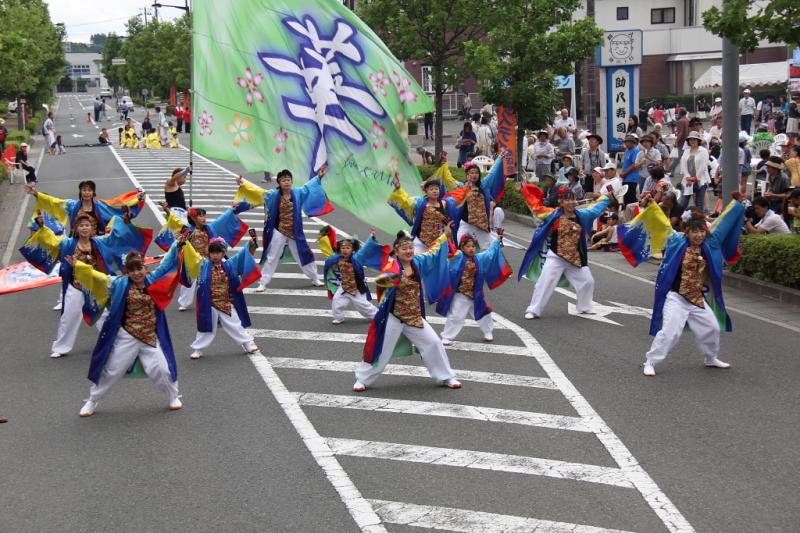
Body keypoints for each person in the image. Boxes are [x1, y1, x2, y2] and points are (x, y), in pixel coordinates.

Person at [619, 198, 745, 376]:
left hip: (697, 298)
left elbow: (725, 223)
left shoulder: (711, 243)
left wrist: (739, 204)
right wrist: (651, 205)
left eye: (702, 231)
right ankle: (651, 361)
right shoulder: (676, 240)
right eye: (694, 231)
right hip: (677, 297)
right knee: (671, 332)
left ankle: (710, 357)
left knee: (712, 328)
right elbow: (662, 223)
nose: (699, 235)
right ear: (686, 231)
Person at [70, 247, 184, 417]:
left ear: (146, 268)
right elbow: (99, 277)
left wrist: (178, 244)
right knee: (112, 370)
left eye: (139, 268)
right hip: (128, 335)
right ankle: (92, 400)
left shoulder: (153, 279)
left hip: (150, 336)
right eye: (132, 270)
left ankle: (173, 396)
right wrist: (80, 266)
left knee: (162, 369)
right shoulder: (119, 283)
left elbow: (167, 263)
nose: (137, 273)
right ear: (127, 272)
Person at [20, 212, 151, 359]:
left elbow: (115, 238)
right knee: (69, 317)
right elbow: (52, 240)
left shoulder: (99, 242)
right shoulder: (68, 243)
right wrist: (42, 226)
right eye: (81, 225)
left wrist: (124, 222)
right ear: (76, 228)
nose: (84, 228)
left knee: (105, 316)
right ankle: (61, 347)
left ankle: (113, 344)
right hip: (76, 286)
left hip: (96, 286)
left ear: (91, 228)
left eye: (87, 225)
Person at [355, 232, 460, 392]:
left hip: (414, 317)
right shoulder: (392, 267)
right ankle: (363, 379)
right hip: (394, 317)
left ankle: (446, 377)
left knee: (434, 342)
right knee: (381, 350)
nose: (409, 251)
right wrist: (386, 279)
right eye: (404, 248)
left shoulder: (418, 262)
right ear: (396, 252)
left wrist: (444, 236)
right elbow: (379, 275)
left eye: (411, 247)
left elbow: (433, 252)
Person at [517, 183, 616, 319]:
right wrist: (523, 191)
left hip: (574, 257)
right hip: (556, 256)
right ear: (561, 202)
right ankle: (533, 310)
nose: (571, 202)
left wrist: (607, 198)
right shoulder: (552, 215)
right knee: (545, 283)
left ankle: (584, 307)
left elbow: (595, 209)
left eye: (572, 199)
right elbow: (536, 207)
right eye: (567, 199)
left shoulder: (582, 215)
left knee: (588, 281)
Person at [235, 168, 331, 291]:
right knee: (272, 256)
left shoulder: (297, 193)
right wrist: (243, 183)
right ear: (279, 182)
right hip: (278, 230)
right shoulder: (273, 195)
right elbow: (258, 192)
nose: (287, 182)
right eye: (284, 180)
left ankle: (315, 278)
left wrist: (319, 176)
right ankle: (263, 283)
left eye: (289, 180)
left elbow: (309, 187)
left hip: (295, 230)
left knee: (304, 253)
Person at [157, 203, 249, 310]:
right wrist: (166, 209)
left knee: (222, 273)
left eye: (204, 216)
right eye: (200, 216)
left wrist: (231, 210)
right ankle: (184, 302)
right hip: (194, 259)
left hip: (210, 258)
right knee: (190, 281)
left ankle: (223, 296)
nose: (203, 218)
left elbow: (222, 219)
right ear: (193, 218)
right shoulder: (188, 230)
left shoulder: (210, 228)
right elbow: (176, 221)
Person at [184, 236, 262, 359]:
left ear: (223, 252)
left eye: (218, 252)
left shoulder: (230, 264)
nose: (215, 255)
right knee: (205, 328)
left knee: (236, 324)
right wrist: (183, 244)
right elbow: (191, 255)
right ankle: (197, 349)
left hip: (226, 302)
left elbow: (243, 255)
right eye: (212, 252)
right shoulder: (203, 264)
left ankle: (247, 344)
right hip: (209, 303)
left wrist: (251, 245)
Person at [437, 232, 511, 345]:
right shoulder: (457, 257)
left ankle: (488, 331)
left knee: (484, 313)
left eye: (473, 246)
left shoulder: (479, 258)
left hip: (476, 293)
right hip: (460, 293)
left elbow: (490, 253)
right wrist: (447, 235)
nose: (471, 249)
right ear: (462, 247)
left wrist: (497, 241)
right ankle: (447, 336)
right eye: (468, 246)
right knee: (456, 315)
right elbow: (450, 249)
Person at [27, 180, 145, 236]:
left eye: (89, 190)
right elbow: (55, 202)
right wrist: (37, 194)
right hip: (77, 241)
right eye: (84, 190)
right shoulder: (72, 205)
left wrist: (136, 199)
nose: (86, 193)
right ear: (80, 192)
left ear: (93, 193)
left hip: (96, 241)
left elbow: (117, 205)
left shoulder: (100, 206)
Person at [321, 228, 388, 325]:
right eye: (343, 248)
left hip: (357, 287)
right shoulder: (336, 258)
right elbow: (328, 260)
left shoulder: (356, 258)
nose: (345, 250)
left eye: (348, 248)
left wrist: (371, 237)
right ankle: (338, 317)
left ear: (352, 250)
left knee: (362, 305)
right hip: (344, 286)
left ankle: (377, 315)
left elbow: (365, 248)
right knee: (337, 301)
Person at [389, 174, 459, 255]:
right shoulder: (420, 202)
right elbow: (406, 201)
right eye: (431, 189)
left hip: (438, 243)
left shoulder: (446, 204)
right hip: (421, 242)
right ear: (426, 191)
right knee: (413, 261)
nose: (434, 191)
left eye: (436, 189)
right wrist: (398, 188)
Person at [448, 157, 506, 250]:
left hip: (481, 224)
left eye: (476, 173)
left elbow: (492, 173)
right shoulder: (462, 187)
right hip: (466, 223)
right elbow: (450, 180)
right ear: (467, 175)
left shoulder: (484, 185)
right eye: (471, 173)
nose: (474, 175)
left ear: (479, 175)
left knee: (490, 248)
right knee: (458, 245)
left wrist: (500, 158)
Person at [678, 131, 711, 212]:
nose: (692, 141)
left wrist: (695, 178)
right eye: (690, 139)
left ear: (698, 141)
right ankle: (679, 220)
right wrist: (688, 177)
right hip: (687, 180)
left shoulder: (703, 151)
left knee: (699, 204)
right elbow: (683, 165)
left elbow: (703, 166)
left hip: (700, 179)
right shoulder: (686, 151)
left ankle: (699, 222)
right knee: (683, 202)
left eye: (694, 139)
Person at [619, 135, 640, 205]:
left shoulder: (635, 150)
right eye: (625, 142)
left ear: (632, 143)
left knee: (631, 197)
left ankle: (635, 213)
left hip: (632, 178)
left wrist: (625, 173)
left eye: (627, 142)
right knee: (626, 196)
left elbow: (634, 165)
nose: (626, 144)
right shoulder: (627, 150)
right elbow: (625, 163)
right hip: (626, 178)